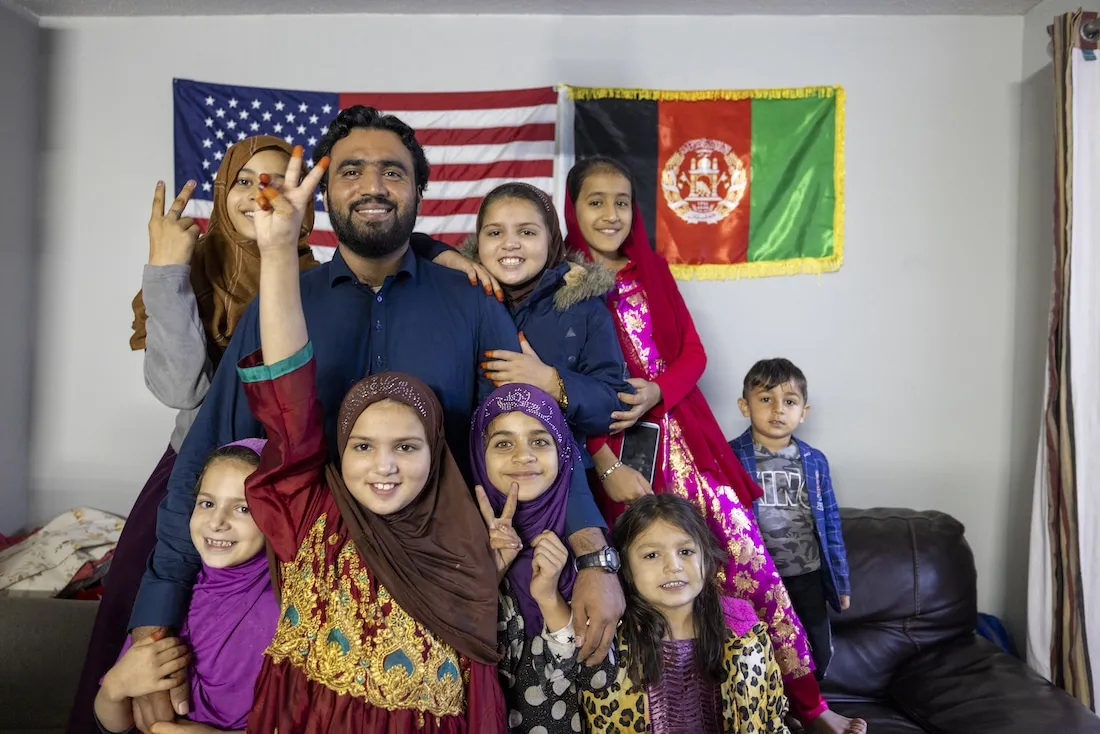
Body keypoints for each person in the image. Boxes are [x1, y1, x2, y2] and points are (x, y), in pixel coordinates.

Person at [127, 108, 623, 729]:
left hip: (444, 605)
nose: (372, 186)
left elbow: (540, 435)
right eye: (351, 170)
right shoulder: (282, 304)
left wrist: (596, 556)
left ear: (418, 190)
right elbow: (208, 459)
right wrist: (154, 622)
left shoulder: (473, 304)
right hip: (303, 605)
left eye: (392, 172)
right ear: (326, 192)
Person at [564, 156, 865, 734]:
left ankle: (808, 707)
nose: (610, 213)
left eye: (622, 201)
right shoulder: (563, 284)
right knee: (648, 588)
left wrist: (656, 390)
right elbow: (565, 387)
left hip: (688, 448)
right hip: (624, 465)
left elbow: (693, 356)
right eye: (595, 201)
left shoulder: (650, 269)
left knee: (750, 571)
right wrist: (603, 461)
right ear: (573, 209)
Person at [237, 147, 505, 731]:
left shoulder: (468, 551)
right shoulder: (310, 510)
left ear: (437, 457)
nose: (383, 466)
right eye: (362, 446)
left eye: (407, 447)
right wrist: (279, 251)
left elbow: (481, 707)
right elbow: (288, 396)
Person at [69, 136, 316, 734]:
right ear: (221, 190)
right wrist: (166, 269)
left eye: (275, 179)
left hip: (286, 486)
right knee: (136, 603)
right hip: (193, 475)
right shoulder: (191, 263)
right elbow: (182, 391)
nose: (259, 192)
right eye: (242, 179)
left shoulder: (321, 281)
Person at [93, 439, 278, 734]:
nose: (217, 522)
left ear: (277, 516)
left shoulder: (290, 609)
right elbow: (117, 723)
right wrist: (114, 689)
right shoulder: (171, 603)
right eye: (207, 503)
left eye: (243, 509)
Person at [457, 181, 630, 486]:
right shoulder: (458, 301)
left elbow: (612, 404)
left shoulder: (584, 307)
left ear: (551, 240)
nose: (510, 243)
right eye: (495, 233)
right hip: (469, 480)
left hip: (559, 484)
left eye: (527, 232)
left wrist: (552, 382)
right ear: (478, 240)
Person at [579, 494, 793, 734]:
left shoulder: (745, 634)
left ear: (707, 557)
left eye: (685, 551)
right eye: (651, 555)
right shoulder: (607, 638)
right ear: (625, 567)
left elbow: (772, 720)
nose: (674, 566)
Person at [470, 384, 583, 733]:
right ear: (478, 453)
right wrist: (489, 573)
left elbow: (597, 674)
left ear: (562, 451)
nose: (524, 456)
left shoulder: (589, 551)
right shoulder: (457, 542)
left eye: (540, 441)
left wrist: (548, 596)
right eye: (504, 443)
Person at [731, 358, 851, 680]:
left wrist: (840, 581)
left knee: (817, 649)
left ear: (803, 413)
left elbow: (831, 525)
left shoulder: (815, 461)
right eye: (766, 399)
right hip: (758, 578)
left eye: (789, 402)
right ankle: (778, 710)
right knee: (764, 648)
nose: (778, 410)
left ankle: (812, 707)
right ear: (746, 406)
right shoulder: (729, 458)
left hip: (807, 574)